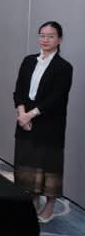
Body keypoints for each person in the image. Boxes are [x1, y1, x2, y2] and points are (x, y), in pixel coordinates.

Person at [13, 21, 73, 223]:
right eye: (42, 35)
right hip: (25, 120)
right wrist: (22, 114)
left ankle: (49, 206)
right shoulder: (28, 61)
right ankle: (32, 201)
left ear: (59, 39)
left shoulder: (64, 67)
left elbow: (56, 98)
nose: (45, 40)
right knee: (27, 164)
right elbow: (19, 90)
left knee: (49, 166)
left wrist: (30, 115)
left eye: (50, 36)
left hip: (50, 123)